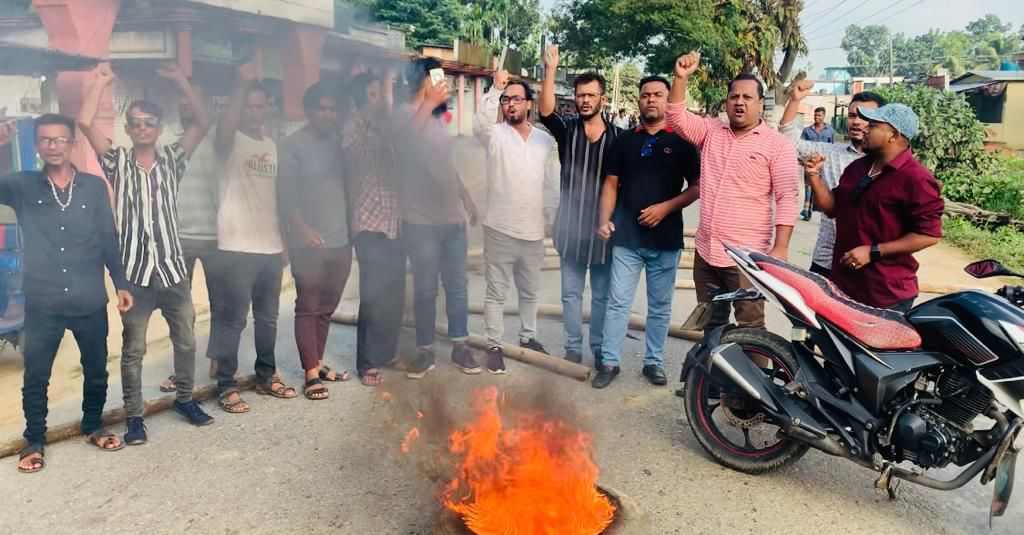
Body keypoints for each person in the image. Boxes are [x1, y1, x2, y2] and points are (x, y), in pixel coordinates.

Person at [78, 63, 214, 444]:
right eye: (135, 122)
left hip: (173, 270)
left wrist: (181, 82)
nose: (142, 128)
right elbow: (85, 123)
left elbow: (202, 122)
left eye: (149, 122)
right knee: (133, 350)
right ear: (128, 127)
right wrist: (100, 82)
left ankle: (185, 399)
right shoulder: (117, 161)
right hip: (136, 275)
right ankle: (135, 417)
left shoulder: (173, 158)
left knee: (185, 340)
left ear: (158, 126)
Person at [0, 115, 133, 472]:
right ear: (37, 145)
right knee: (36, 374)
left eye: (60, 140)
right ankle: (34, 440)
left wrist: (120, 283)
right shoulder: (23, 185)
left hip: (88, 297)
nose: (53, 146)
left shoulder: (92, 187)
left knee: (95, 369)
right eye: (45, 140)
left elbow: (108, 237)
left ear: (73, 143)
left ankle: (93, 425)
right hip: (43, 300)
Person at [667, 51, 800, 330]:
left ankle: (753, 374)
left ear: (760, 103)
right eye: (734, 97)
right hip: (707, 252)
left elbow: (787, 196)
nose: (739, 102)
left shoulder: (777, 145)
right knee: (711, 322)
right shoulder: (710, 132)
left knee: (750, 326)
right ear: (726, 102)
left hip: (746, 258)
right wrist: (680, 78)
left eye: (747, 97)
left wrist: (781, 246)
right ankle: (713, 373)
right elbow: (676, 117)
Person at [591, 76, 700, 389]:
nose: (651, 100)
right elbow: (610, 183)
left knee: (660, 306)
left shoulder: (682, 143)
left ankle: (654, 362)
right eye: (645, 95)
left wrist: (666, 207)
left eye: (657, 95)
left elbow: (696, 188)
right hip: (626, 238)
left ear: (668, 100)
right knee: (617, 302)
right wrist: (604, 219)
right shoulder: (624, 141)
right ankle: (609, 361)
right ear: (638, 100)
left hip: (665, 240)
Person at [207, 63, 297, 413]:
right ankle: (226, 384)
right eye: (249, 105)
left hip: (270, 247)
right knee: (234, 319)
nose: (255, 112)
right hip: (236, 247)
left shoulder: (272, 146)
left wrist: (284, 242)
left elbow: (275, 198)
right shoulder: (228, 139)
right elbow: (226, 126)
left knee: (269, 317)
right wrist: (241, 85)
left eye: (261, 106)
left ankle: (266, 375)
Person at [803, 103, 943, 312]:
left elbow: (928, 235)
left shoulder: (916, 178)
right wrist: (814, 175)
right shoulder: (858, 168)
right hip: (844, 284)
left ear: (893, 135)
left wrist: (874, 252)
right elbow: (832, 208)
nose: (865, 128)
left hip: (885, 293)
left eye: (874, 125)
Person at [538, 45, 623, 368]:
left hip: (603, 231)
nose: (585, 100)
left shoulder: (618, 137)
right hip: (570, 228)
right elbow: (546, 112)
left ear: (602, 98)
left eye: (591, 94)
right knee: (570, 296)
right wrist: (550, 69)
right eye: (580, 95)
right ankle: (573, 347)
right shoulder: (568, 131)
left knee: (601, 297)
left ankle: (599, 349)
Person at [398, 58, 482, 379]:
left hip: (452, 221)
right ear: (421, 80)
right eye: (437, 78)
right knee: (425, 288)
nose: (443, 84)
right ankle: (425, 350)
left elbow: (445, 165)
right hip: (421, 222)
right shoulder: (403, 114)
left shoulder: (436, 120)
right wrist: (427, 103)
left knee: (457, 285)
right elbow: (404, 145)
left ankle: (460, 346)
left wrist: (467, 199)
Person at [475, 69, 558, 373]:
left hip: (533, 231)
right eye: (506, 100)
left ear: (528, 105)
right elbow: (479, 123)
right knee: (496, 293)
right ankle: (493, 345)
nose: (510, 105)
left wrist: (552, 215)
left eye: (516, 99)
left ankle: (528, 336)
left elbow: (552, 182)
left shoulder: (544, 141)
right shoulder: (494, 134)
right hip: (499, 228)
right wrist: (495, 89)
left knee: (530, 291)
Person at [278, 82, 354, 401]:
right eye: (320, 108)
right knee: (308, 305)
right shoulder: (292, 145)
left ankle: (318, 362)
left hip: (341, 240)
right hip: (308, 242)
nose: (327, 114)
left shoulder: (340, 143)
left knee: (327, 307)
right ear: (309, 111)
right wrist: (302, 229)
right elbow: (285, 196)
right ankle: (310, 374)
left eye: (331, 108)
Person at [781, 81, 886, 278]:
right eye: (853, 115)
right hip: (827, 259)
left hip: (872, 265)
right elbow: (788, 138)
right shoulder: (832, 153)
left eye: (865, 117)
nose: (856, 121)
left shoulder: (890, 163)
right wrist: (794, 100)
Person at [343, 71, 405, 387]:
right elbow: (358, 159)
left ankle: (388, 352)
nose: (379, 98)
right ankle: (366, 362)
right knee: (372, 295)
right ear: (360, 99)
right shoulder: (353, 126)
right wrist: (376, 114)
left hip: (395, 222)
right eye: (372, 94)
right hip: (368, 223)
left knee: (395, 293)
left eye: (380, 93)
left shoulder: (389, 127)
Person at [174, 80, 223, 387]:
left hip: (216, 237)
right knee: (179, 307)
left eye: (190, 100)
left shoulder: (218, 138)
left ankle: (218, 358)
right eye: (180, 101)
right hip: (178, 239)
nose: (185, 106)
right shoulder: (169, 142)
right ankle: (181, 367)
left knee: (221, 302)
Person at [798, 106, 836, 221]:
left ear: (824, 116)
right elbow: (801, 146)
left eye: (819, 115)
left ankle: (822, 211)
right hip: (810, 162)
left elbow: (833, 147)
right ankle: (806, 210)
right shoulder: (807, 130)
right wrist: (803, 160)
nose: (817, 117)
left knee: (821, 187)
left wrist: (829, 161)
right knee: (808, 186)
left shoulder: (830, 131)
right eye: (815, 115)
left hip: (823, 164)